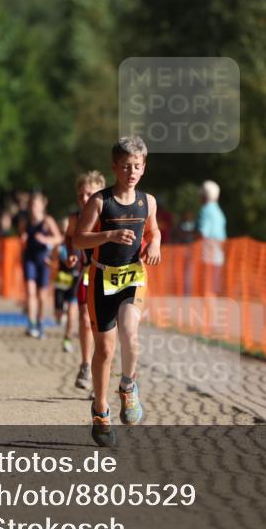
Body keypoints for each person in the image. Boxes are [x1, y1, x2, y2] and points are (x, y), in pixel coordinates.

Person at [73, 136, 161, 447]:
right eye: (125, 166)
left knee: (130, 332)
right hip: (102, 278)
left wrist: (156, 244)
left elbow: (153, 229)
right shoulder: (100, 201)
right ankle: (100, 410)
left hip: (133, 276)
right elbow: (79, 239)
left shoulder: (148, 202)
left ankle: (127, 386)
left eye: (137, 166)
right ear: (114, 167)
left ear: (144, 167)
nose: (131, 172)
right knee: (105, 351)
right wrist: (108, 235)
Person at [66, 170, 107, 393]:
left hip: (108, 274)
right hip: (87, 271)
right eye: (81, 194)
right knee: (84, 317)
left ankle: (101, 373)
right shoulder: (76, 217)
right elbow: (69, 236)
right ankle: (85, 366)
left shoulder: (108, 215)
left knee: (104, 327)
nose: (84, 198)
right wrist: (71, 253)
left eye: (89, 194)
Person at [19, 192, 62, 338]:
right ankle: (31, 324)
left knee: (42, 295)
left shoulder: (47, 221)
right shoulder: (25, 222)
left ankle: (40, 321)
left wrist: (45, 239)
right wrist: (23, 238)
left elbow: (58, 238)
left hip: (43, 259)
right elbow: (22, 236)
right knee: (30, 292)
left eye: (36, 205)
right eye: (32, 205)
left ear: (43, 206)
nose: (34, 208)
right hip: (29, 259)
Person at [52, 216, 81, 353]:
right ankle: (60, 312)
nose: (65, 234)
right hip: (61, 279)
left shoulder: (80, 242)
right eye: (62, 232)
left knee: (72, 311)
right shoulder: (59, 245)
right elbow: (52, 259)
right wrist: (55, 253)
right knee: (58, 313)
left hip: (75, 279)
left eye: (68, 230)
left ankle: (67, 339)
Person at [197, 180, 227, 296]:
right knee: (212, 289)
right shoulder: (219, 212)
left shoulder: (205, 210)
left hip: (207, 254)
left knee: (205, 288)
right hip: (218, 255)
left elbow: (202, 233)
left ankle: (207, 308)